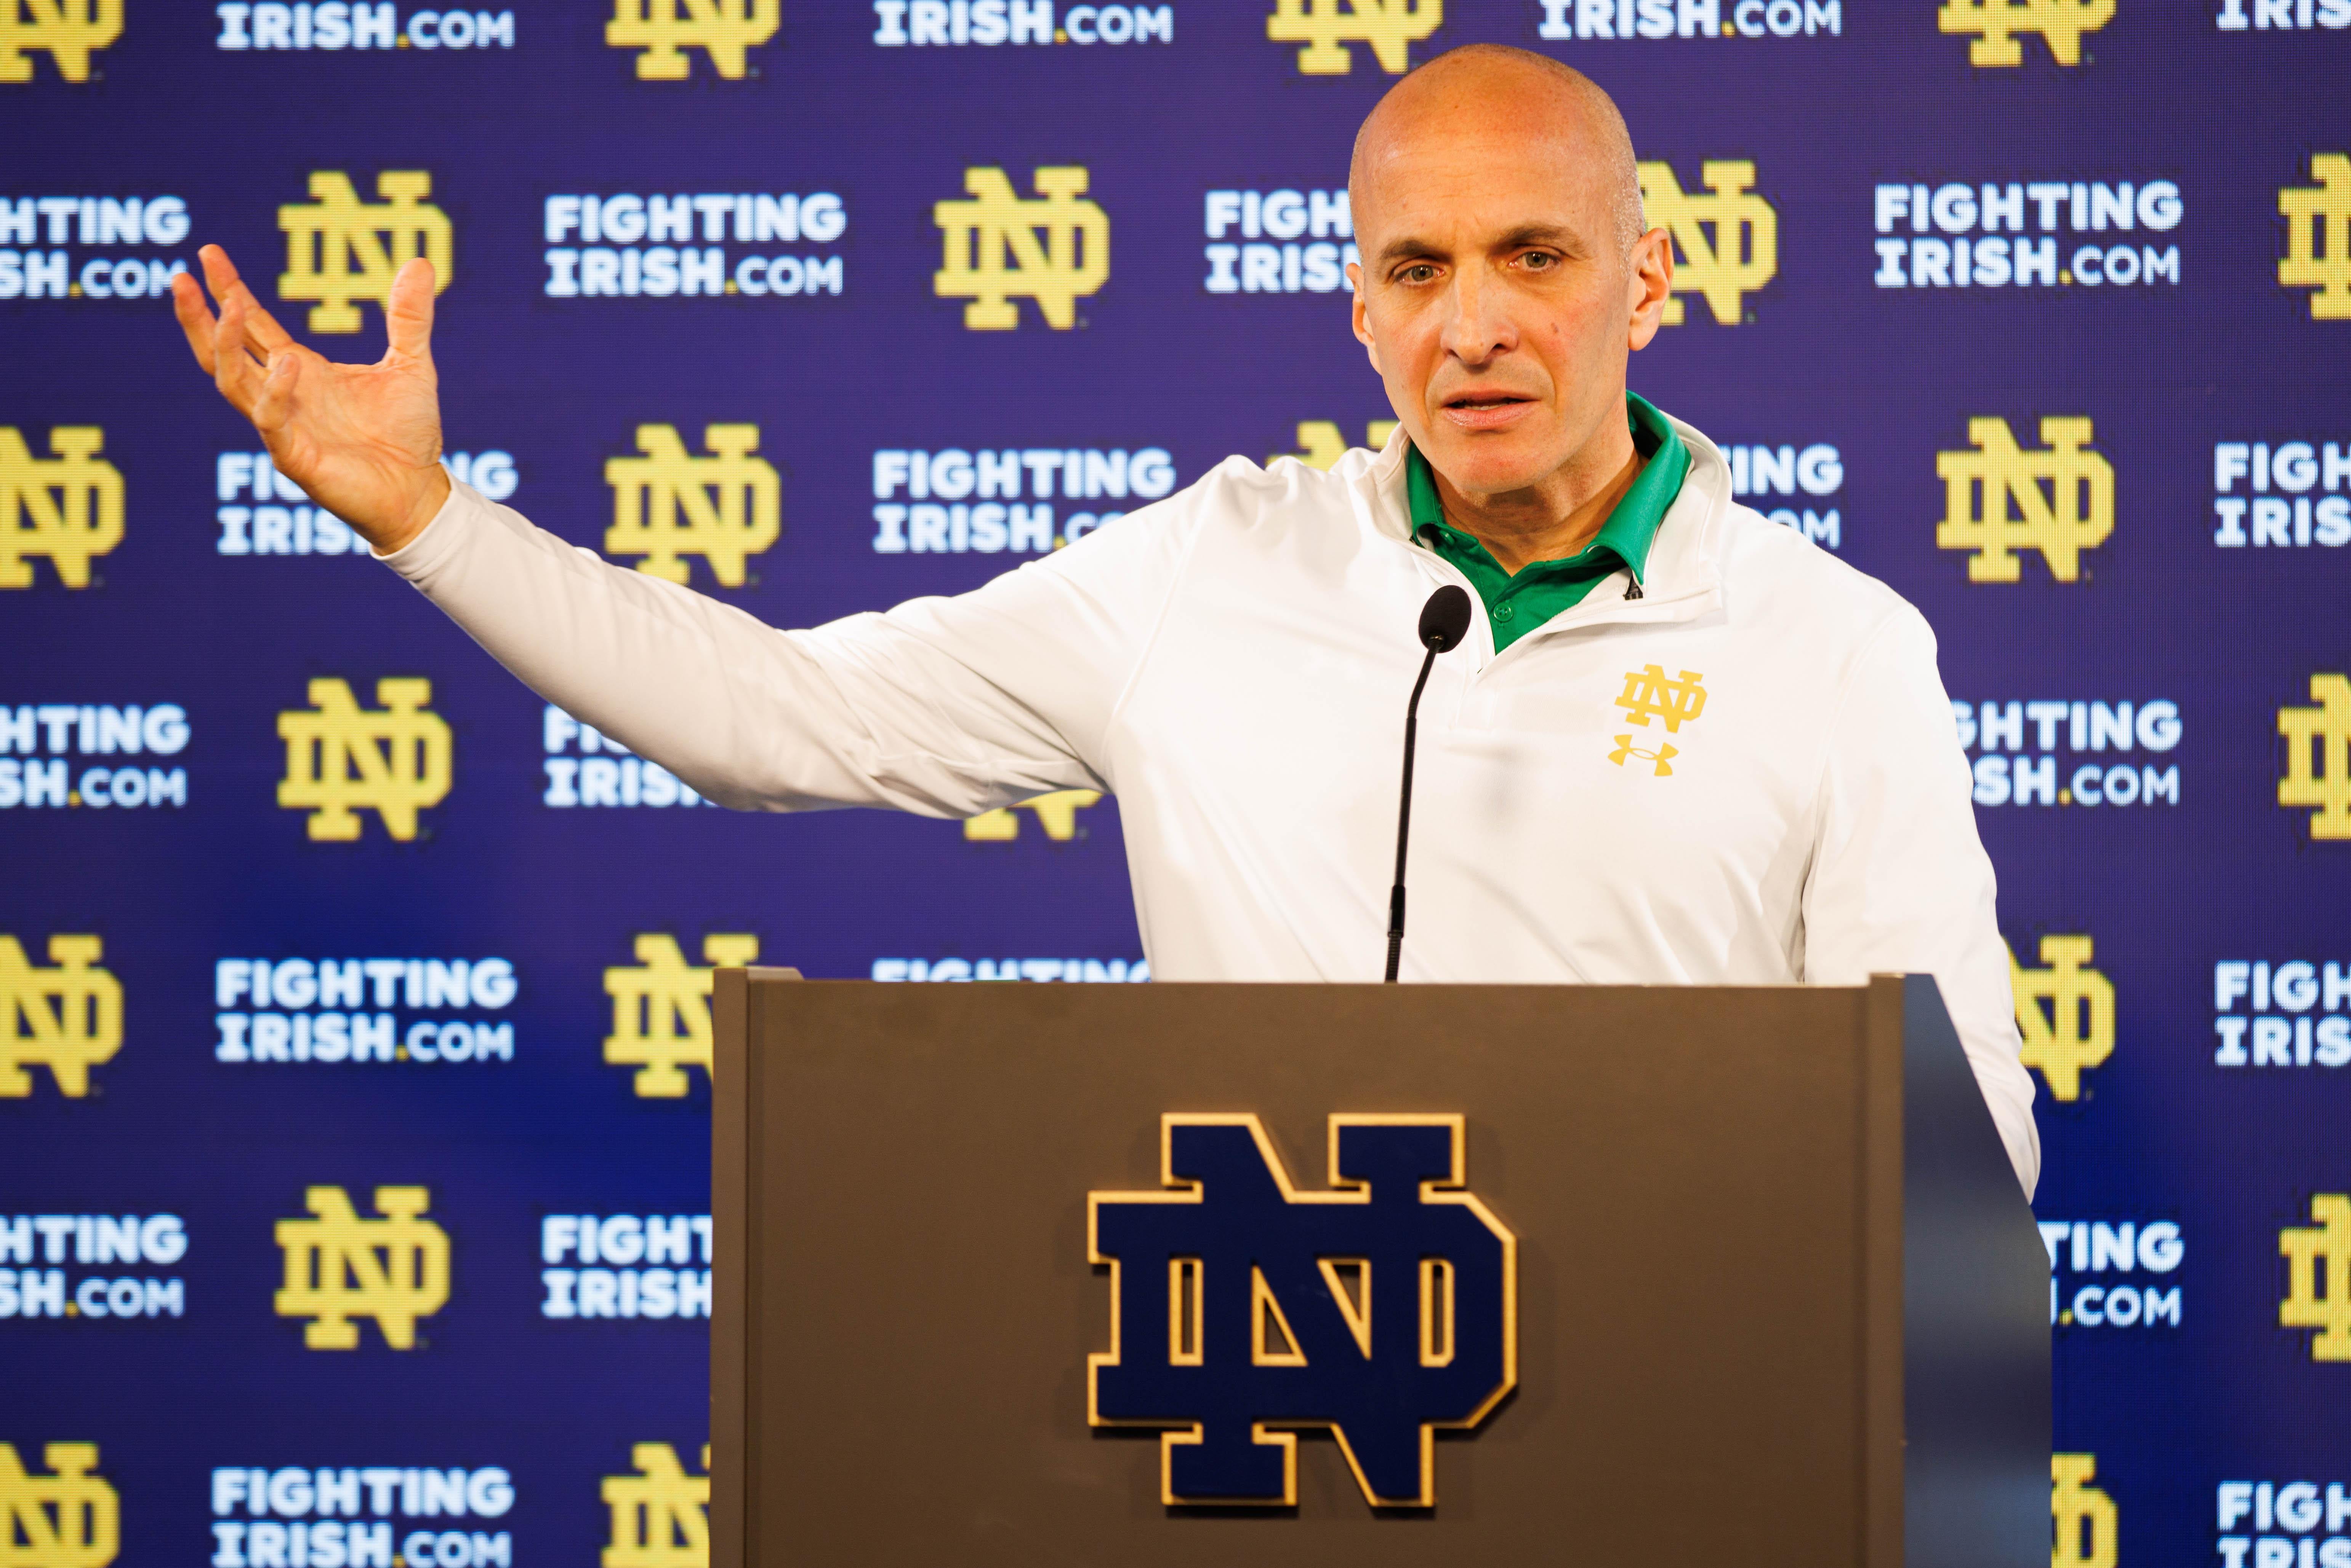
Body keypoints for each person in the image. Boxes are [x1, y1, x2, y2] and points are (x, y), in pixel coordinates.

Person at [172, 45, 2039, 1196]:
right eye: (1416, 270)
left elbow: (1963, 1154)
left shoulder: (1834, 648)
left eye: (1533, 257)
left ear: (1648, 281)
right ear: (1361, 314)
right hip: (1258, 1410)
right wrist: (431, 520)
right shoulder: (1208, 573)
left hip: (1667, 1433)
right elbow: (782, 719)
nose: (1473, 326)